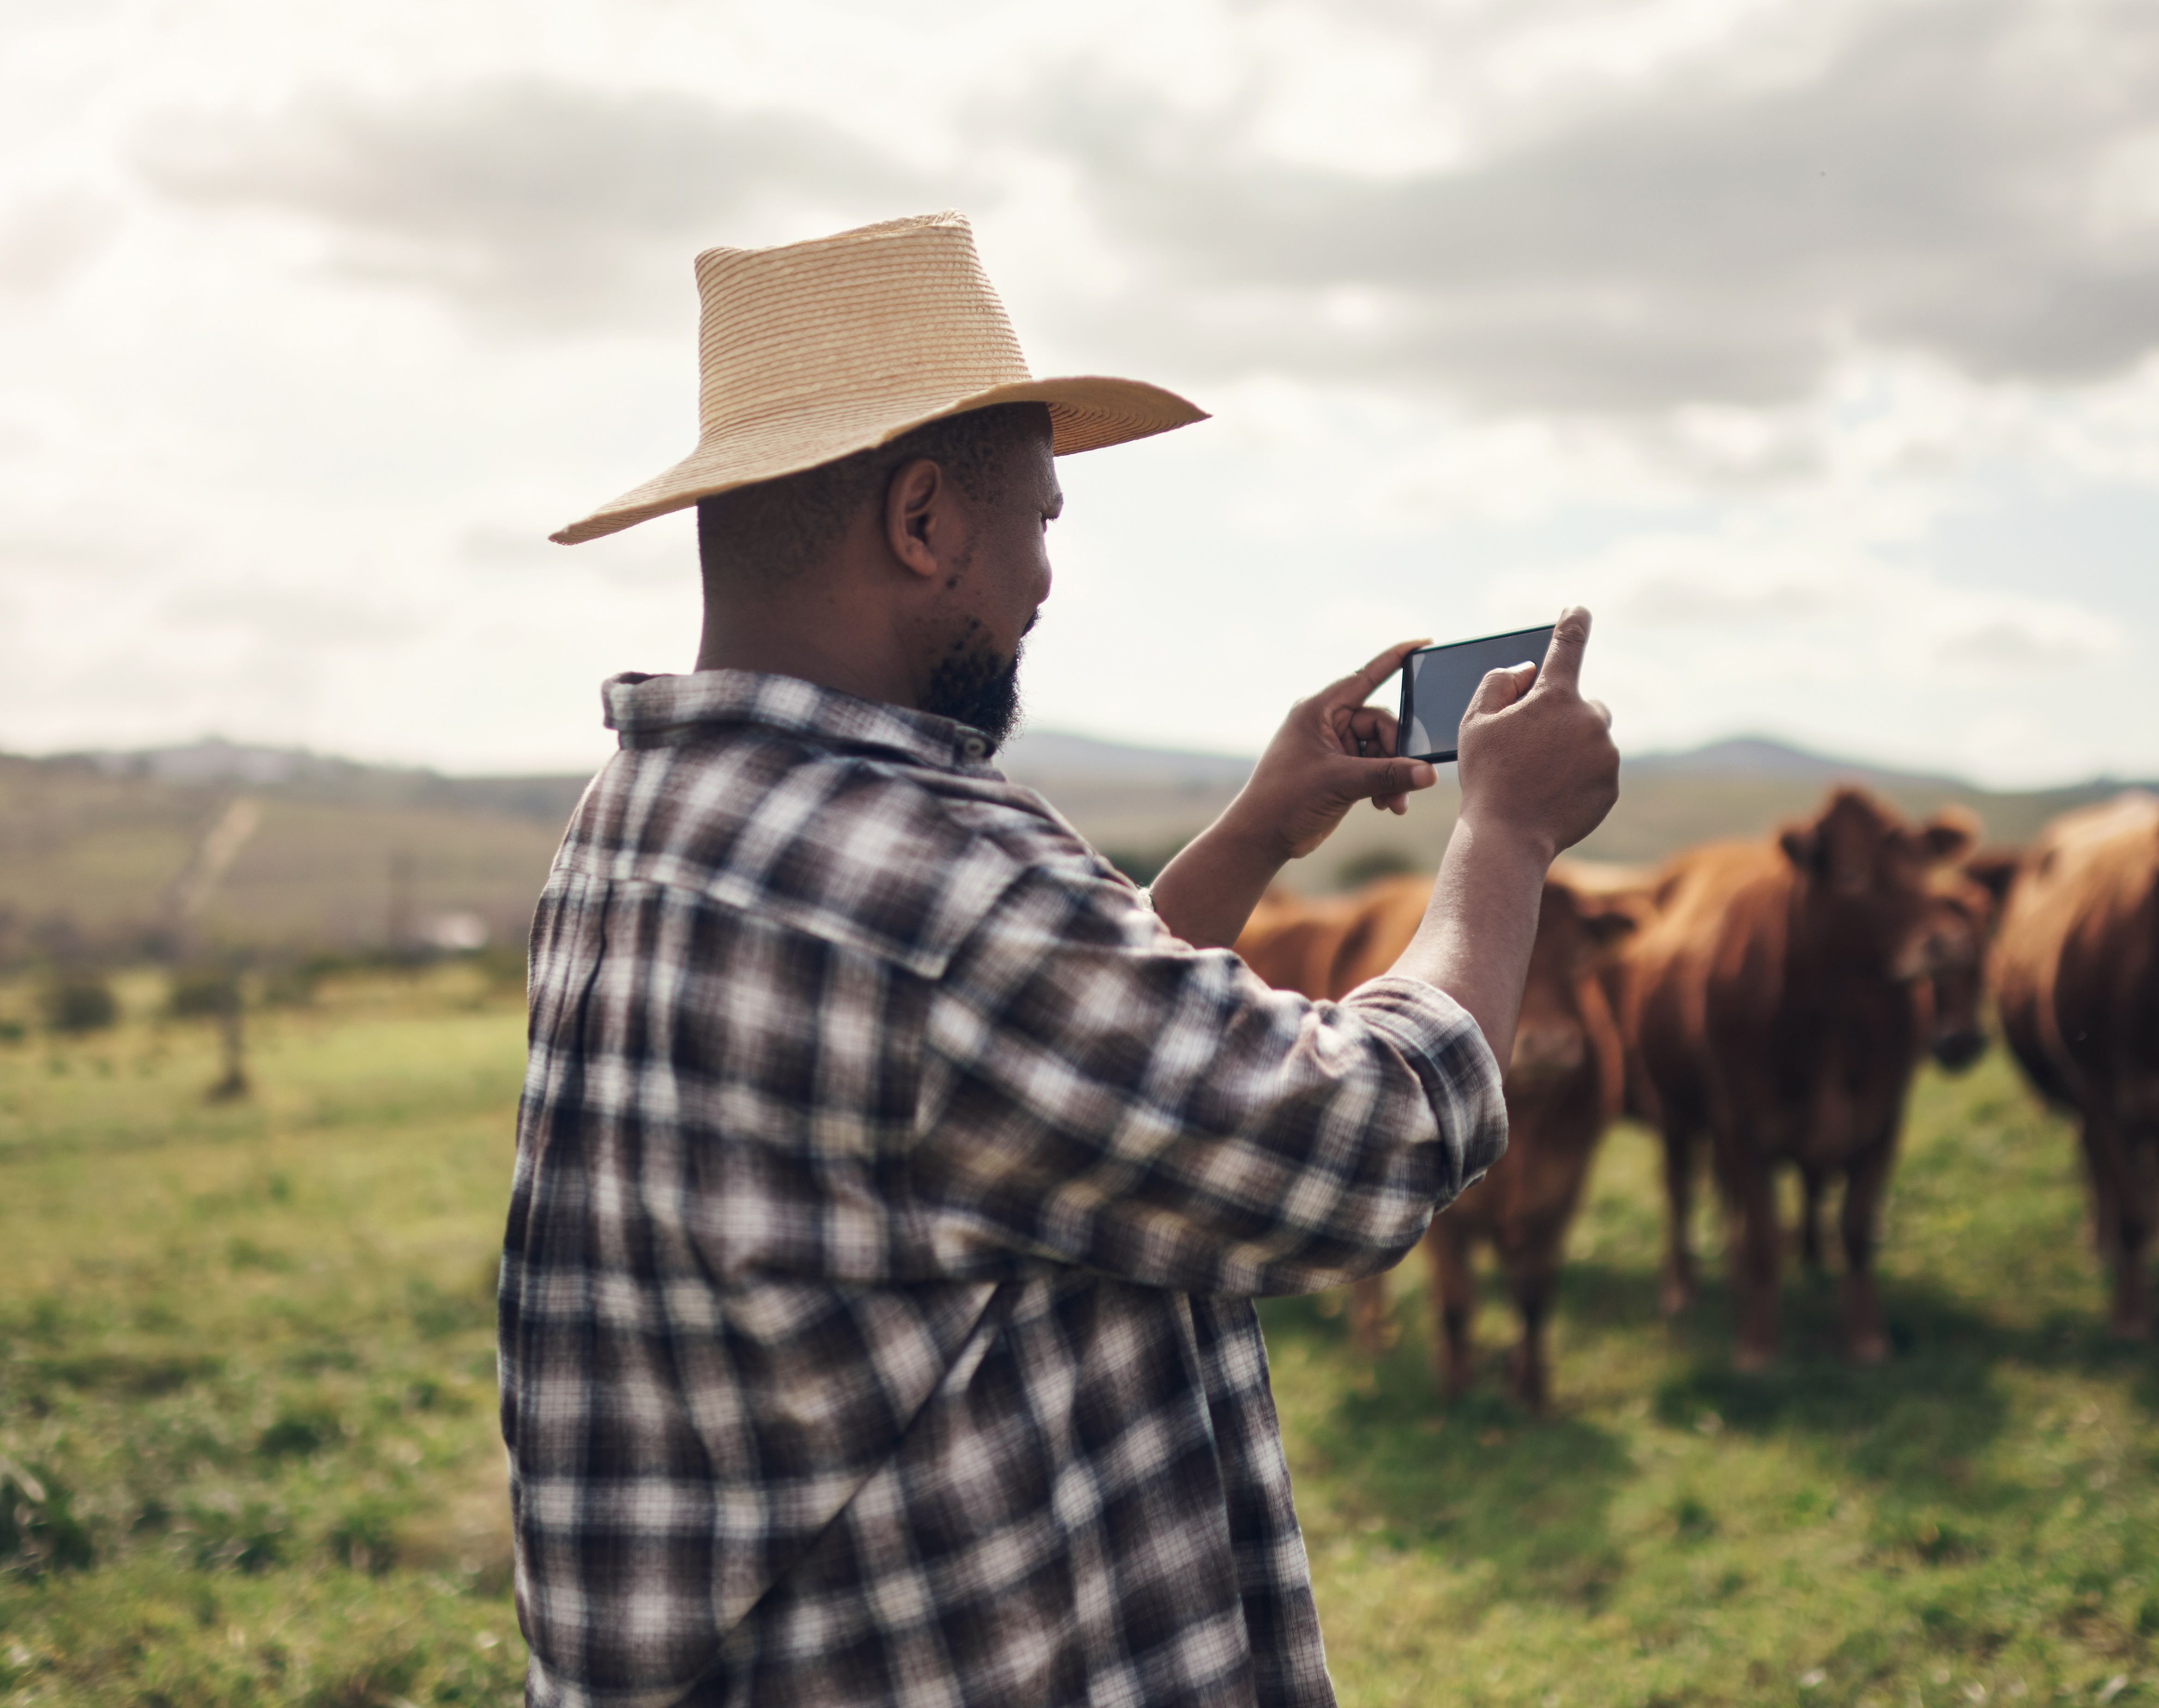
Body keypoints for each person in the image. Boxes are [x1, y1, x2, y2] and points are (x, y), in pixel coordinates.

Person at [502, 210, 1619, 1708]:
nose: (1041, 576)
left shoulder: (640, 817)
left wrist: (1249, 837)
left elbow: (994, 1076)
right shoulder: (928, 874)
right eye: (1037, 518)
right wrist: (1506, 835)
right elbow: (1364, 1143)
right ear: (922, 521)